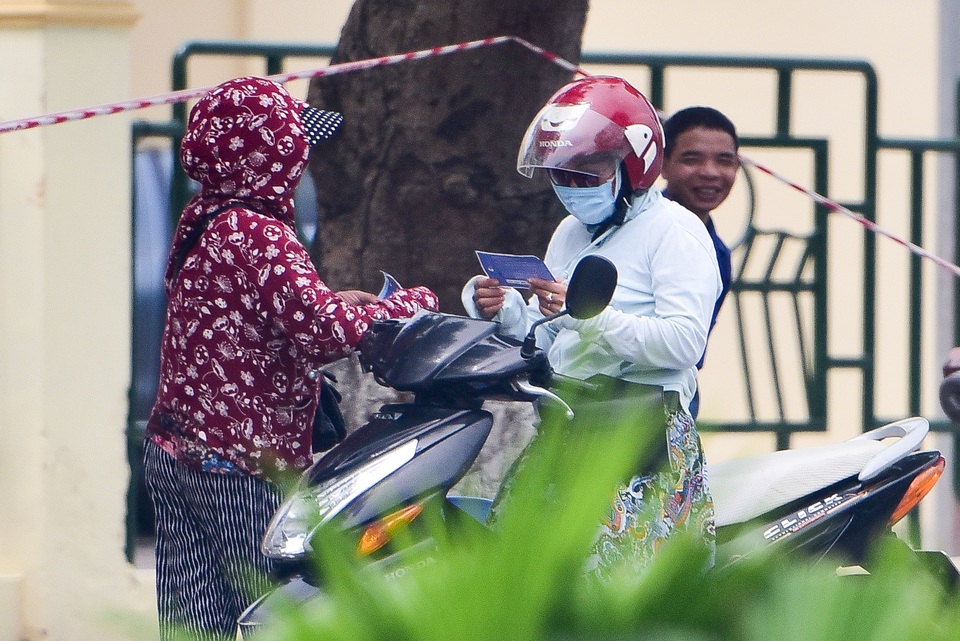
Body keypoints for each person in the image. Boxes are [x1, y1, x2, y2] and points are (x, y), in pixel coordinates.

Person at [143, 76, 439, 640]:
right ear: (267, 158)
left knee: (195, 621)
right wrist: (407, 304)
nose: (301, 166)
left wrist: (333, 300)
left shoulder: (205, 216)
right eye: (293, 151)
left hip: (175, 451)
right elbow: (325, 333)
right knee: (271, 611)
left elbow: (260, 310)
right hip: (239, 464)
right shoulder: (259, 233)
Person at [461, 76, 721, 576]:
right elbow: (555, 333)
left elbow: (685, 342)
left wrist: (592, 317)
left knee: (617, 596)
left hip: (638, 437)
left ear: (634, 165)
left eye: (589, 172)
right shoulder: (571, 232)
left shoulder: (675, 233)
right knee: (513, 578)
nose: (573, 187)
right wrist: (508, 310)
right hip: (567, 426)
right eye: (562, 174)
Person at [661, 106, 740, 418]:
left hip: (673, 403)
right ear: (663, 164)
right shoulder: (631, 231)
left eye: (725, 161)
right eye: (692, 159)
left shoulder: (718, 254)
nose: (710, 172)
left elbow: (691, 353)